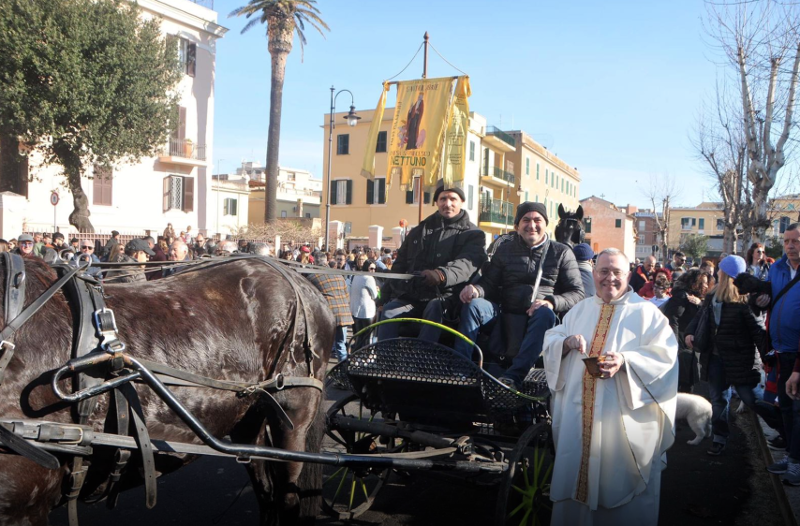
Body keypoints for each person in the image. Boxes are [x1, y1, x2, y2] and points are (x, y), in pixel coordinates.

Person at [542, 248, 678, 525]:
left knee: (617, 482)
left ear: (628, 275)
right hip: (578, 416)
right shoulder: (580, 309)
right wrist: (565, 344)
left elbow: (665, 358)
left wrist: (625, 362)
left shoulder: (647, 314)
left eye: (617, 272)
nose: (610, 278)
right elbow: (554, 336)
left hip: (620, 418)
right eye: (604, 271)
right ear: (594, 273)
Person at [455, 202, 584, 387]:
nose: (532, 225)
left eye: (537, 220)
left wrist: (551, 302)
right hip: (505, 312)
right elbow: (489, 283)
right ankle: (461, 369)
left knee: (544, 313)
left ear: (545, 224)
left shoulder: (562, 253)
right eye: (526, 220)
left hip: (541, 317)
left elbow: (578, 293)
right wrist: (476, 290)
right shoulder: (505, 250)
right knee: (473, 306)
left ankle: (514, 376)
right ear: (517, 225)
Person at [378, 185, 487, 343]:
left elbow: (465, 264)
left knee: (434, 308)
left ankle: (423, 360)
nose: (447, 203)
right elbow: (400, 265)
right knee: (388, 311)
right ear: (436, 202)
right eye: (443, 199)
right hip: (414, 296)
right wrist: (384, 298)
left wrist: (441, 275)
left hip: (447, 298)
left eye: (453, 199)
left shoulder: (474, 234)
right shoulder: (419, 231)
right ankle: (384, 362)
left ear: (461, 202)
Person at [685, 255, 765, 456]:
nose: (717, 272)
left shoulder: (746, 300)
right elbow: (700, 317)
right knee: (718, 399)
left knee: (751, 398)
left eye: (721, 270)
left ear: (727, 275)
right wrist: (689, 332)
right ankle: (719, 438)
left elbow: (758, 331)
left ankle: (783, 426)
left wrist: (768, 357)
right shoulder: (713, 296)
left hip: (740, 360)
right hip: (715, 358)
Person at [749, 223, 800, 484]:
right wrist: (758, 297)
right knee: (788, 411)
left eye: (796, 241)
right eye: (786, 241)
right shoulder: (778, 268)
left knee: (798, 412)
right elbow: (769, 297)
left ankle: (797, 465)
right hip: (781, 352)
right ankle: (792, 457)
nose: (790, 246)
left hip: (797, 356)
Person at [661, 268, 712, 392]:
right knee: (684, 380)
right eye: (703, 282)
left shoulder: (697, 298)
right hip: (682, 344)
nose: (706, 285)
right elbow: (673, 319)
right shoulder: (683, 296)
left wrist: (700, 303)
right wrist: (676, 343)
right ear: (694, 283)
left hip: (689, 344)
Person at [306, 270, 354, 363]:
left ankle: (341, 367)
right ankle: (345, 366)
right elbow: (347, 295)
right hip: (343, 313)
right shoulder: (338, 275)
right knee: (340, 343)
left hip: (328, 314)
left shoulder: (312, 277)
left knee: (326, 344)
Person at [350, 259, 379, 351]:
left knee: (359, 336)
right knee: (367, 337)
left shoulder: (357, 275)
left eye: (374, 269)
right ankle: (365, 356)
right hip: (367, 312)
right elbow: (374, 295)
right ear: (367, 267)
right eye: (371, 268)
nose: (373, 271)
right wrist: (377, 290)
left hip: (356, 310)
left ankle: (356, 355)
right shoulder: (369, 278)